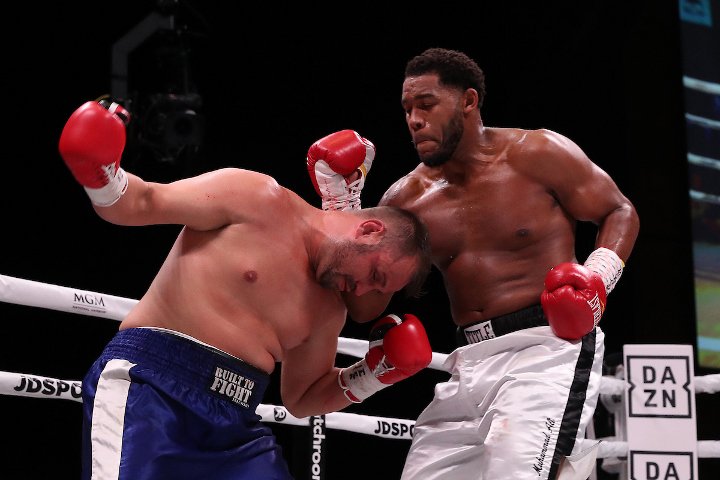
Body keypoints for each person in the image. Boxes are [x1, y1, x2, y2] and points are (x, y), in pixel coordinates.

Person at [306, 47, 640, 479]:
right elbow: (366, 306)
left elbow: (619, 210)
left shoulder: (538, 154)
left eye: (426, 104)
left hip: (545, 347)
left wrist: (597, 280)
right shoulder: (406, 202)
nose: (414, 120)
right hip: (467, 361)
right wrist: (344, 209)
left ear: (468, 100)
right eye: (407, 109)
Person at [58, 98, 435, 480]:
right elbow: (141, 202)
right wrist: (102, 174)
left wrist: (372, 375)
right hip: (153, 387)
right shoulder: (256, 198)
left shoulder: (328, 310)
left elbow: (303, 398)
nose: (364, 289)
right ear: (369, 230)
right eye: (375, 275)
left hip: (236, 423)